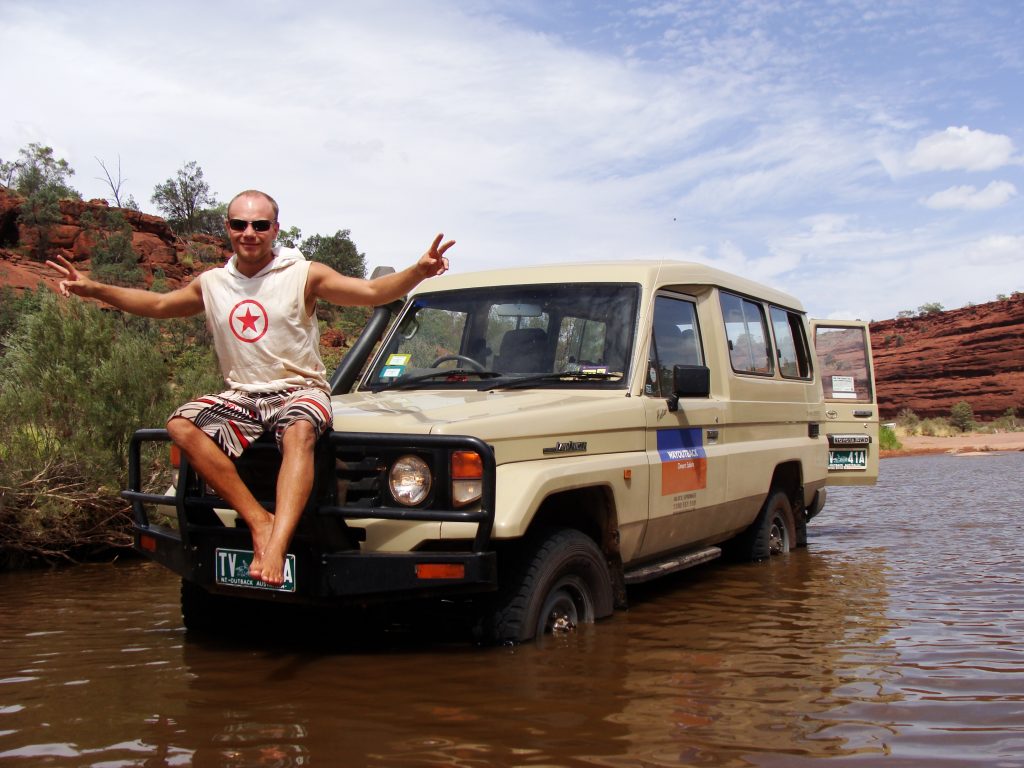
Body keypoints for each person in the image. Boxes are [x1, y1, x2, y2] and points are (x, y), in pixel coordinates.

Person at [48, 189, 453, 587]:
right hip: (243, 395)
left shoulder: (303, 274)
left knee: (300, 430)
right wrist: (94, 289)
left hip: (299, 389)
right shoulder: (213, 283)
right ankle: (260, 521)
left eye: (260, 225)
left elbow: (370, 292)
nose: (249, 233)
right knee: (182, 425)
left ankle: (277, 545)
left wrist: (419, 271)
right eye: (240, 224)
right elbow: (157, 305)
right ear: (227, 227)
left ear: (275, 229)